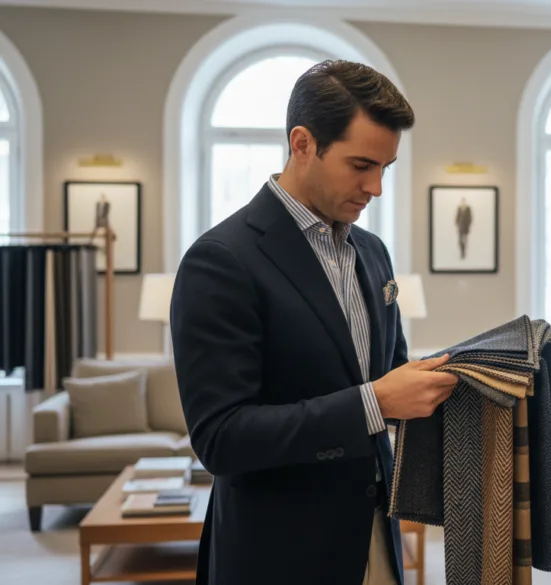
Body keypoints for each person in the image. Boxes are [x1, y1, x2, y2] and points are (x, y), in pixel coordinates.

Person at [170, 60, 459, 585]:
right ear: (302, 143)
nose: (374, 187)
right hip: (278, 552)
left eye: (385, 169)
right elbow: (221, 438)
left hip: (377, 537)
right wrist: (376, 402)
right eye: (360, 165)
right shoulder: (220, 260)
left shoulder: (373, 253)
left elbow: (390, 377)